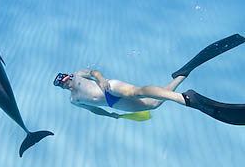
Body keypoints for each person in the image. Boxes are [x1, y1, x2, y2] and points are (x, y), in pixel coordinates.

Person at [54, 34, 245, 125]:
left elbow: (94, 72)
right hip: (112, 104)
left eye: (62, 79)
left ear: (68, 76)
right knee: (153, 105)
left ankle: (184, 99)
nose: (63, 83)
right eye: (60, 84)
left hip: (109, 88)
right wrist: (110, 115)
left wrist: (102, 80)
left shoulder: (79, 74)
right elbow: (93, 109)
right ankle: (182, 75)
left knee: (135, 91)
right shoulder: (73, 100)